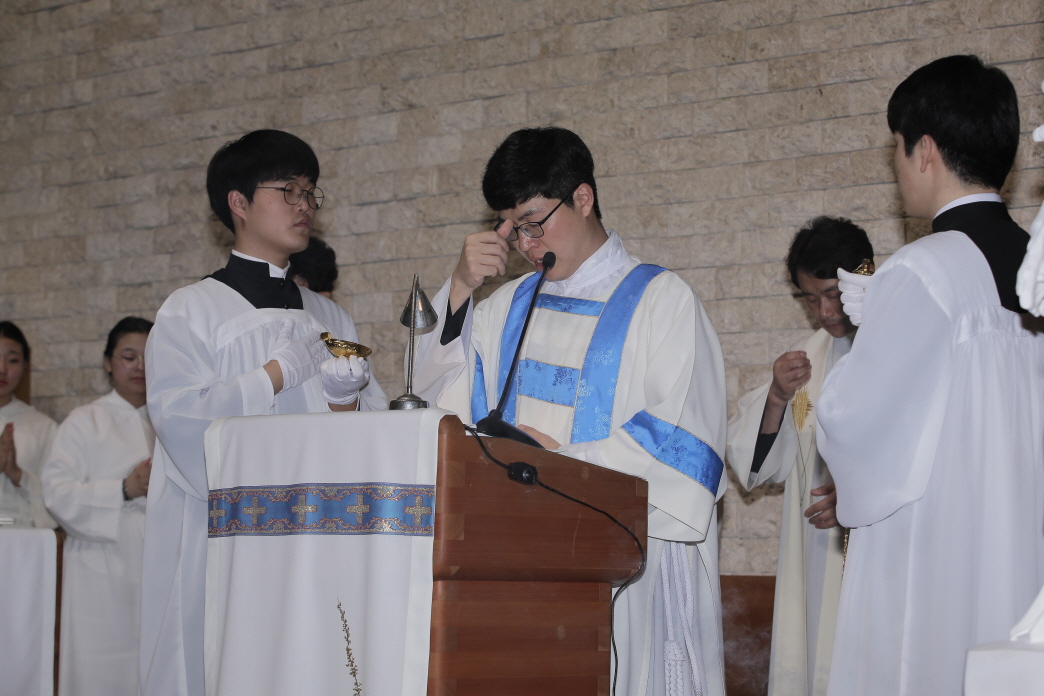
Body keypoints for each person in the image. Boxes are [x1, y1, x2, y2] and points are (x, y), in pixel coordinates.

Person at [413, 126, 728, 695]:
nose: (524, 242)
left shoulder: (662, 300)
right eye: (510, 227)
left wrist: (563, 466)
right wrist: (459, 287)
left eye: (533, 221)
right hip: (515, 557)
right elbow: (436, 403)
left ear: (583, 198)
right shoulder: (502, 307)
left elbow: (683, 441)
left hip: (628, 562)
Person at [816, 55, 1044, 696]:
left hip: (941, 550)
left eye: (896, 146)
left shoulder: (924, 269)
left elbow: (852, 420)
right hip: (1025, 547)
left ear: (925, 151)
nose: (895, 166)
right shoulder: (1037, 267)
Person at [139, 129, 387, 696]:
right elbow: (181, 422)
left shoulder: (331, 317)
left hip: (318, 533)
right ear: (239, 202)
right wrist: (272, 376)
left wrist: (346, 401)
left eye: (310, 192)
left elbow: (366, 438)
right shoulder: (191, 311)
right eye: (288, 190)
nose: (305, 206)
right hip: (227, 540)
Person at [726, 217, 873, 696]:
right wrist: (776, 397)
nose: (824, 312)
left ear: (864, 276)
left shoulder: (901, 346)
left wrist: (859, 495)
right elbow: (761, 468)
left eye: (832, 293)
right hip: (821, 551)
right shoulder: (807, 359)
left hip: (882, 548)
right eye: (810, 299)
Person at [42, 317, 155, 696]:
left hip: (159, 564)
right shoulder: (85, 421)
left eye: (148, 357)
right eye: (129, 357)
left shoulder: (169, 420)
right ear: (108, 362)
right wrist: (123, 489)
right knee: (102, 673)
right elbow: (57, 493)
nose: (139, 366)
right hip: (101, 569)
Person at [0, 321, 57, 529]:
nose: (2, 369)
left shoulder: (43, 428)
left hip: (21, 537)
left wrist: (18, 475)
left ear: (25, 366)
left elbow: (59, 500)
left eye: (13, 360)